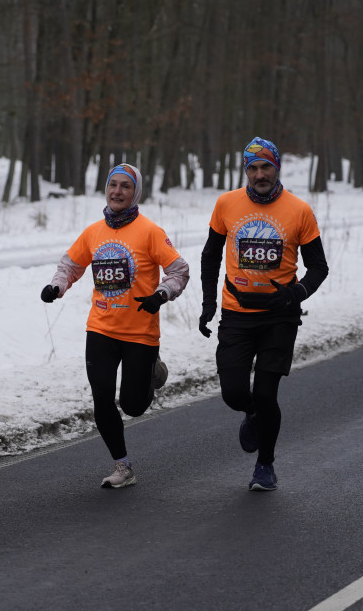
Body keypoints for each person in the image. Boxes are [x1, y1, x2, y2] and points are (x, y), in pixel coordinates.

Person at [41, 164, 189, 489]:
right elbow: (71, 264)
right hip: (101, 329)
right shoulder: (94, 232)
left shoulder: (150, 231)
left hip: (140, 332)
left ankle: (153, 370)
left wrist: (161, 294)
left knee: (133, 406)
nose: (117, 191)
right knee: (102, 397)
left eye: (125, 186)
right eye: (113, 185)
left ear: (134, 193)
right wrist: (57, 286)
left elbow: (179, 270)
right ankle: (122, 466)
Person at [198, 137, 329, 492]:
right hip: (237, 313)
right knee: (233, 392)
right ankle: (251, 412)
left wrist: (297, 293)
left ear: (277, 168)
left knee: (268, 393)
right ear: (246, 171)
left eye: (266, 166)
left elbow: (318, 267)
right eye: (253, 168)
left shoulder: (299, 210)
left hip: (279, 316)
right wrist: (209, 304)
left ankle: (265, 465)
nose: (259, 174)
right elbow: (210, 256)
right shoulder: (227, 204)